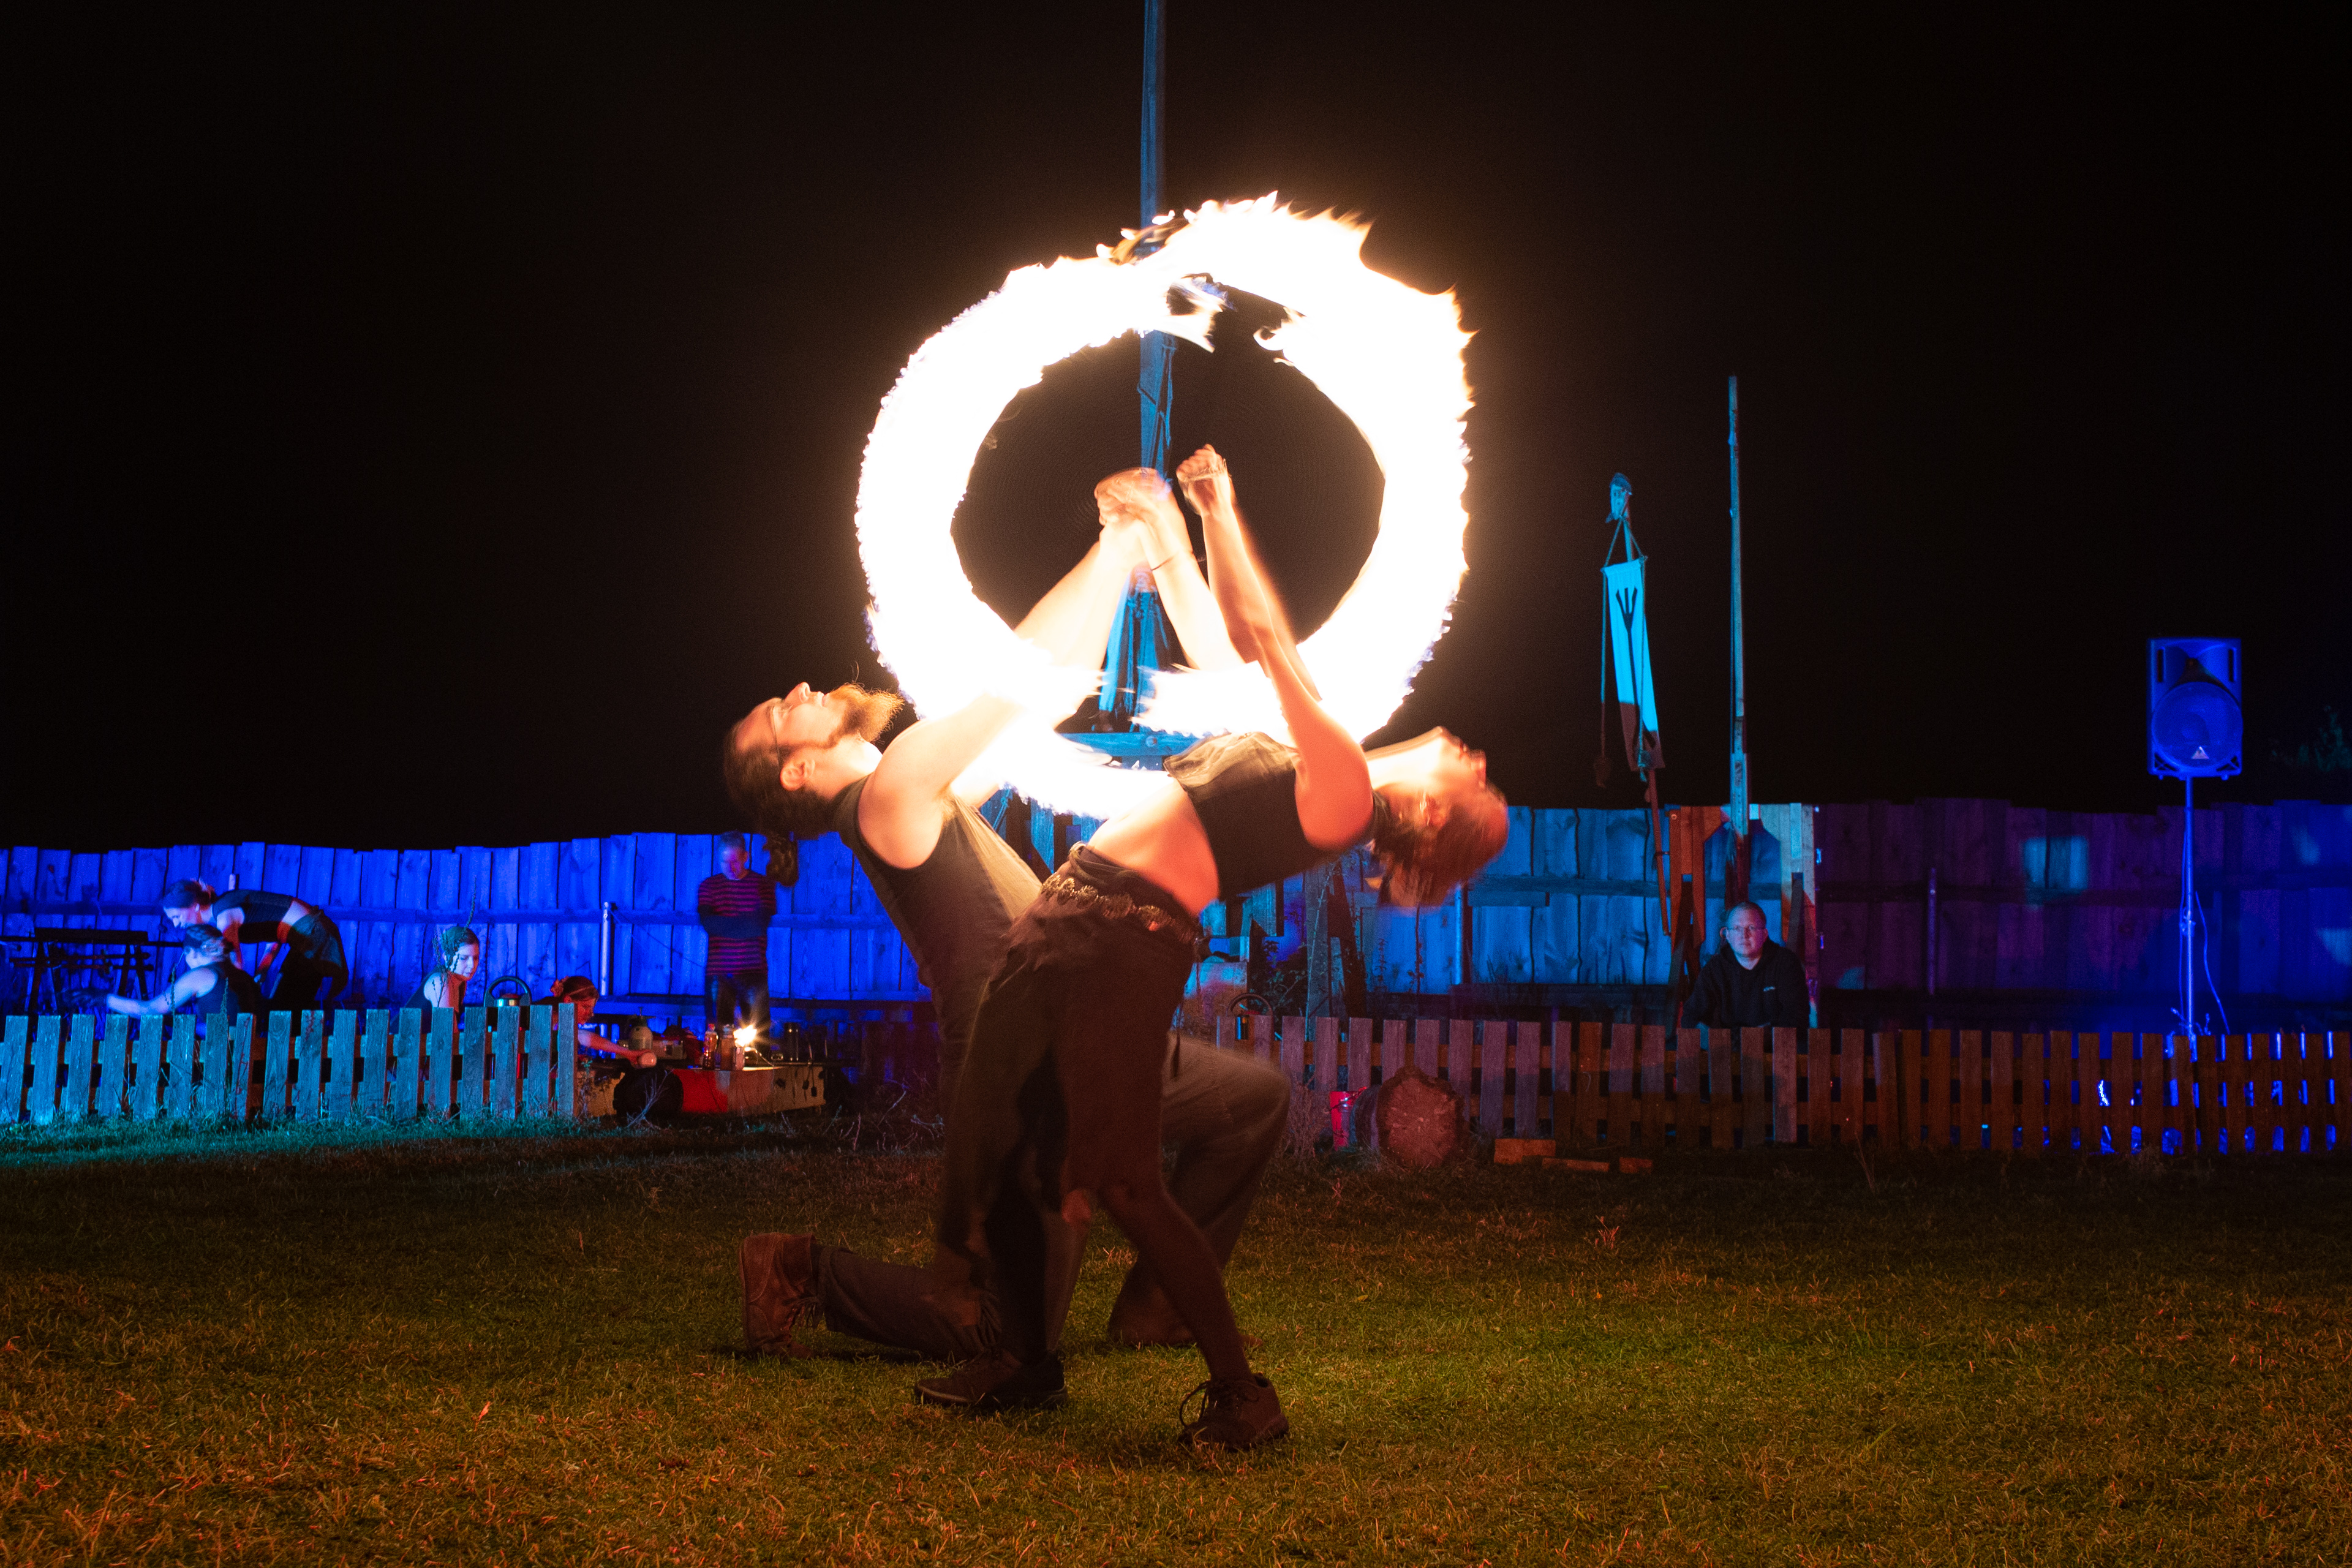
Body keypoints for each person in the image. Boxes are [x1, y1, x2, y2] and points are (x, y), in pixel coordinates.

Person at [921, 446, 1508, 1449]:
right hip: (1067, 919)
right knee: (1008, 1134)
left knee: (1124, 1180)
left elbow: (1264, 638)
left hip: (1119, 945)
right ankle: (1023, 1360)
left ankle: (1243, 1395)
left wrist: (1216, 508)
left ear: (1432, 815)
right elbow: (1218, 640)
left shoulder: (1343, 793)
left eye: (1479, 781)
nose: (1475, 754)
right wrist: (1176, 528)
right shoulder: (1316, 758)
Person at [720, 490, 1294, 1382]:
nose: (799, 690)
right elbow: (1021, 674)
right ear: (796, 770)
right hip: (1023, 1064)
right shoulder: (889, 798)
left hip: (1086, 1023)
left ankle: (1160, 1307)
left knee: (1251, 1105)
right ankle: (801, 1271)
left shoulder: (923, 791)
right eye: (779, 711)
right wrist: (1111, 547)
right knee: (1002, 1331)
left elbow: (1048, 693)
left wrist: (1121, 561)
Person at [159, 879, 348, 1011]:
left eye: (176, 916)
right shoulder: (223, 908)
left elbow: (235, 966)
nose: (176, 924)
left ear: (195, 907)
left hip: (314, 935)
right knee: (285, 1003)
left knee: (288, 1006)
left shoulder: (224, 916)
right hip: (308, 935)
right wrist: (262, 970)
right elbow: (274, 930)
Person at [72, 924, 265, 1019]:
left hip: (222, 1061)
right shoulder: (244, 977)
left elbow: (150, 1010)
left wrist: (103, 998)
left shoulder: (201, 975)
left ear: (191, 952)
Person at [1678, 900, 1810, 1028]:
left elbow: (1797, 1016)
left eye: (1751, 928)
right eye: (1737, 928)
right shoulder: (1715, 969)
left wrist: (1760, 1037)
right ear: (1728, 935)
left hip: (1776, 1043)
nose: (1744, 935)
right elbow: (1691, 1017)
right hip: (1726, 1043)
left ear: (1764, 934)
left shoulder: (1785, 964)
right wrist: (1710, 1037)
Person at [696, 832, 776, 1040]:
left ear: (745, 857)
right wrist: (745, 924)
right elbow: (709, 924)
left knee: (759, 1036)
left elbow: (759, 925)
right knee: (716, 1035)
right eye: (725, 862)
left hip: (753, 973)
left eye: (735, 861)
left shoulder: (762, 885)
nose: (730, 868)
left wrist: (723, 924)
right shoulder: (709, 887)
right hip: (719, 974)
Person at [402, 926, 481, 1012]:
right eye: (463, 958)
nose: (472, 965)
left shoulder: (461, 982)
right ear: (447, 957)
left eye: (476, 958)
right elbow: (446, 1021)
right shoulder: (441, 981)